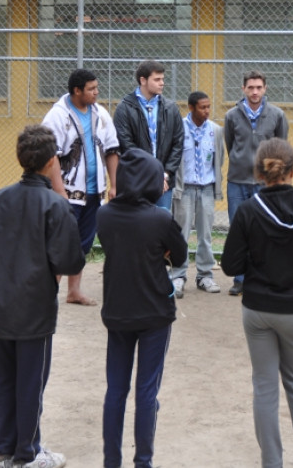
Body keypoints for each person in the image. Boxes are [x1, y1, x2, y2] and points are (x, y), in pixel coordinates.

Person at [221, 138, 293, 468]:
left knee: (264, 387)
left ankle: (272, 462)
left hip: (257, 308)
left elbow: (230, 266)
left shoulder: (247, 210)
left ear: (260, 171)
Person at [0, 125, 86, 468]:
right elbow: (70, 260)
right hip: (33, 307)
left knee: (5, 380)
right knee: (30, 382)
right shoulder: (55, 204)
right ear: (53, 161)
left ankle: (5, 449)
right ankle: (28, 453)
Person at [96, 149, 187, 468]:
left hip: (118, 311)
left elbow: (112, 246)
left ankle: (111, 461)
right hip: (154, 315)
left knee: (115, 391)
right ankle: (143, 462)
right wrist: (159, 253)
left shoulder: (105, 214)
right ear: (149, 180)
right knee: (147, 392)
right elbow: (179, 256)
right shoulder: (160, 218)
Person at [42, 68, 120, 306]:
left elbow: (112, 149)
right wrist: (59, 191)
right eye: (91, 89)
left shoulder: (101, 114)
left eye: (96, 87)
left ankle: (74, 291)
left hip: (94, 192)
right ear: (77, 91)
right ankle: (47, 293)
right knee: (60, 242)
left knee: (83, 244)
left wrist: (114, 184)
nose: (96, 92)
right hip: (67, 193)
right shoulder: (57, 116)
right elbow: (50, 156)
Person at [223, 70, 289, 296]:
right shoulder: (231, 115)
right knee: (238, 229)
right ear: (243, 89)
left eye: (259, 87)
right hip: (237, 182)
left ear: (265, 89)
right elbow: (230, 145)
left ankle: (264, 277)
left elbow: (281, 147)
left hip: (265, 184)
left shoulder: (277, 115)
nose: (254, 91)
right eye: (250, 87)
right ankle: (240, 279)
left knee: (266, 230)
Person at [170, 91, 225, 297]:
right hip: (185, 188)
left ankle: (205, 275)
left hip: (207, 188)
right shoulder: (179, 129)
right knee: (181, 234)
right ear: (191, 108)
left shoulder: (216, 130)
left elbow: (219, 158)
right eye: (202, 107)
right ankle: (178, 275)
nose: (207, 111)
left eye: (209, 107)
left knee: (206, 235)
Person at [113, 60, 184, 211]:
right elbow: (126, 145)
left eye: (163, 79)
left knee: (161, 228)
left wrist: (164, 174)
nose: (162, 83)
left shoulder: (171, 108)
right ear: (143, 80)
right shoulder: (124, 108)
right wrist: (151, 174)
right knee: (137, 228)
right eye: (157, 79)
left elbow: (178, 144)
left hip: (164, 183)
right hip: (136, 181)